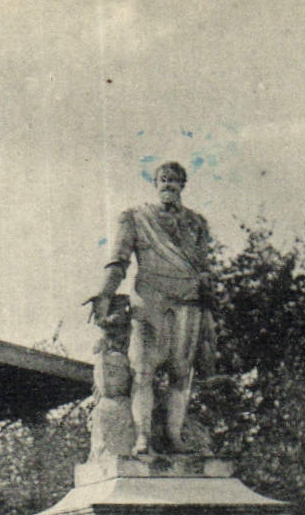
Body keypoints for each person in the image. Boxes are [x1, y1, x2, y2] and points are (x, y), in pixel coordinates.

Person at [89, 161, 215, 454]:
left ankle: (175, 437)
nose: (168, 185)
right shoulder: (135, 217)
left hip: (189, 301)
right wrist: (104, 293)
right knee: (143, 370)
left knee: (182, 374)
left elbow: (204, 267)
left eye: (174, 180)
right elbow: (118, 261)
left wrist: (209, 303)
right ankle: (143, 437)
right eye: (163, 180)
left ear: (183, 185)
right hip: (150, 300)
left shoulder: (197, 224)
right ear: (155, 184)